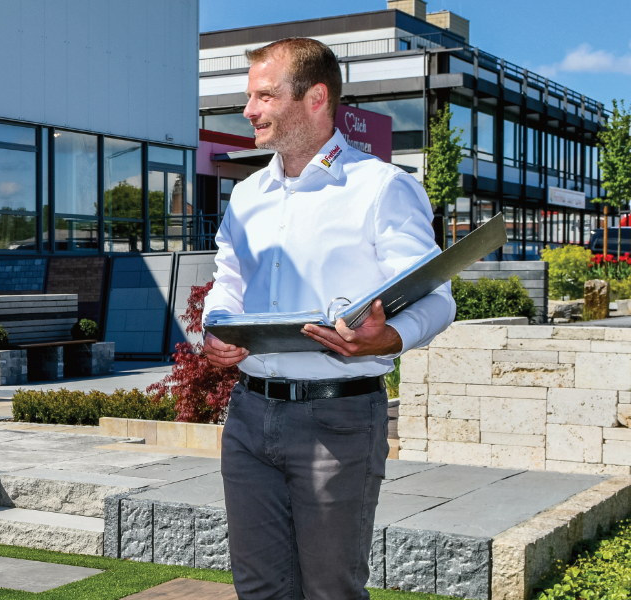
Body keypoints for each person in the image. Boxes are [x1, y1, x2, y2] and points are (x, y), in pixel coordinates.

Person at [202, 38, 455, 600]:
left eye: (265, 96)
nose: (249, 111)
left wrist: (387, 337)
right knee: (258, 588)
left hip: (337, 420)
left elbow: (439, 297)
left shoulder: (382, 188)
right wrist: (214, 326)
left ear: (315, 98)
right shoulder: (245, 195)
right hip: (247, 415)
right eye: (250, 97)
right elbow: (228, 282)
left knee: (330, 590)